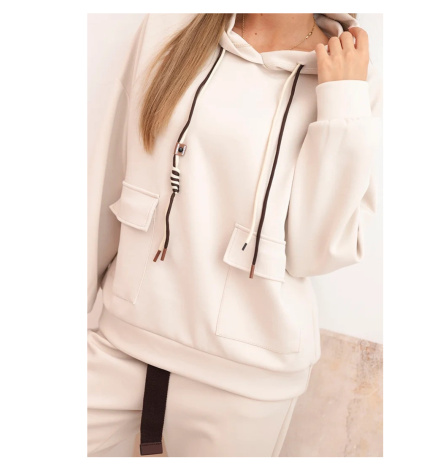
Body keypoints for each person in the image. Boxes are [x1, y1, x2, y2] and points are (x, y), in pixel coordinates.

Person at [87, 13, 382, 457]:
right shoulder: (166, 29)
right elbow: (105, 181)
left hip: (246, 383)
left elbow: (314, 252)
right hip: (119, 343)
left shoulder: (352, 74)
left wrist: (342, 99)